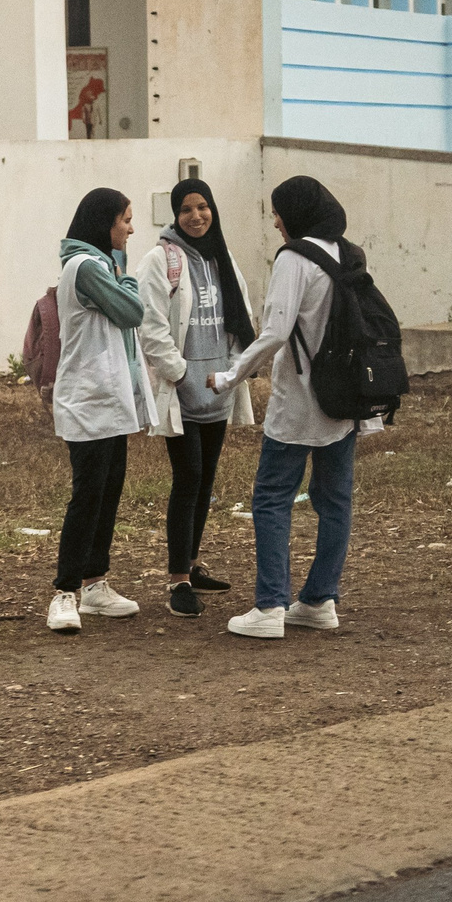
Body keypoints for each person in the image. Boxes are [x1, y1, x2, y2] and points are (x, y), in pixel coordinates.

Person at [213, 174, 359, 641]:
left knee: (272, 499)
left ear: (294, 212)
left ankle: (270, 605)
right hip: (345, 398)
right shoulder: (345, 252)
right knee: (335, 501)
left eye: (277, 211)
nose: (274, 220)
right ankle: (319, 600)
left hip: (299, 401)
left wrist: (231, 376)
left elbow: (275, 332)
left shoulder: (295, 258)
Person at [138, 177, 256, 621]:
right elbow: (151, 328)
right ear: (175, 214)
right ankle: (178, 583)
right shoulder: (160, 260)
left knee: (205, 480)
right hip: (183, 392)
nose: (196, 216)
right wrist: (182, 374)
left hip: (219, 390)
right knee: (187, 478)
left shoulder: (224, 258)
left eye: (202, 207)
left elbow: (241, 319)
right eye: (186, 209)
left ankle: (190, 563)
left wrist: (233, 371)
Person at [45, 186, 155, 634]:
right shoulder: (86, 266)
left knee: (107, 493)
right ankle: (64, 592)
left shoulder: (101, 264)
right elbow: (132, 311)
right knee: (87, 496)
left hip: (109, 400)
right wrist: (127, 278)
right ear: (104, 222)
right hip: (89, 400)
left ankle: (94, 584)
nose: (131, 227)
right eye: (125, 219)